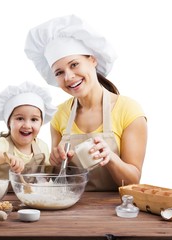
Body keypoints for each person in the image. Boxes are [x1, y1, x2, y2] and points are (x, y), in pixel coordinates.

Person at [24, 15, 147, 191]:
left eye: (74, 65)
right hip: (69, 207)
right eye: (59, 72)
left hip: (116, 212)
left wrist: (110, 158)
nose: (68, 77)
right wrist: (57, 163)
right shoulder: (59, 114)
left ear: (92, 60)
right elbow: (61, 179)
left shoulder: (128, 110)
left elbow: (133, 182)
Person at [0, 81, 57, 180]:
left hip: (30, 195)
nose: (27, 125)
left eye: (34, 119)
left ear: (41, 123)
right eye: (20, 118)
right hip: (2, 195)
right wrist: (6, 157)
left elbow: (47, 176)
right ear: (8, 122)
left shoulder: (42, 147)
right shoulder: (3, 144)